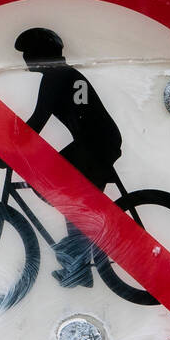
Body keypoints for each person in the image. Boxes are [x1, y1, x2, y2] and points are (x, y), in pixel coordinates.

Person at [14, 27, 123, 287]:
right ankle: (80, 266)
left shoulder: (57, 76)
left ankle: (82, 254)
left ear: (42, 54)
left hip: (96, 146)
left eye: (29, 52)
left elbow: (38, 120)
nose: (25, 58)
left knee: (57, 188)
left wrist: (10, 150)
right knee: (70, 200)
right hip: (93, 144)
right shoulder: (61, 74)